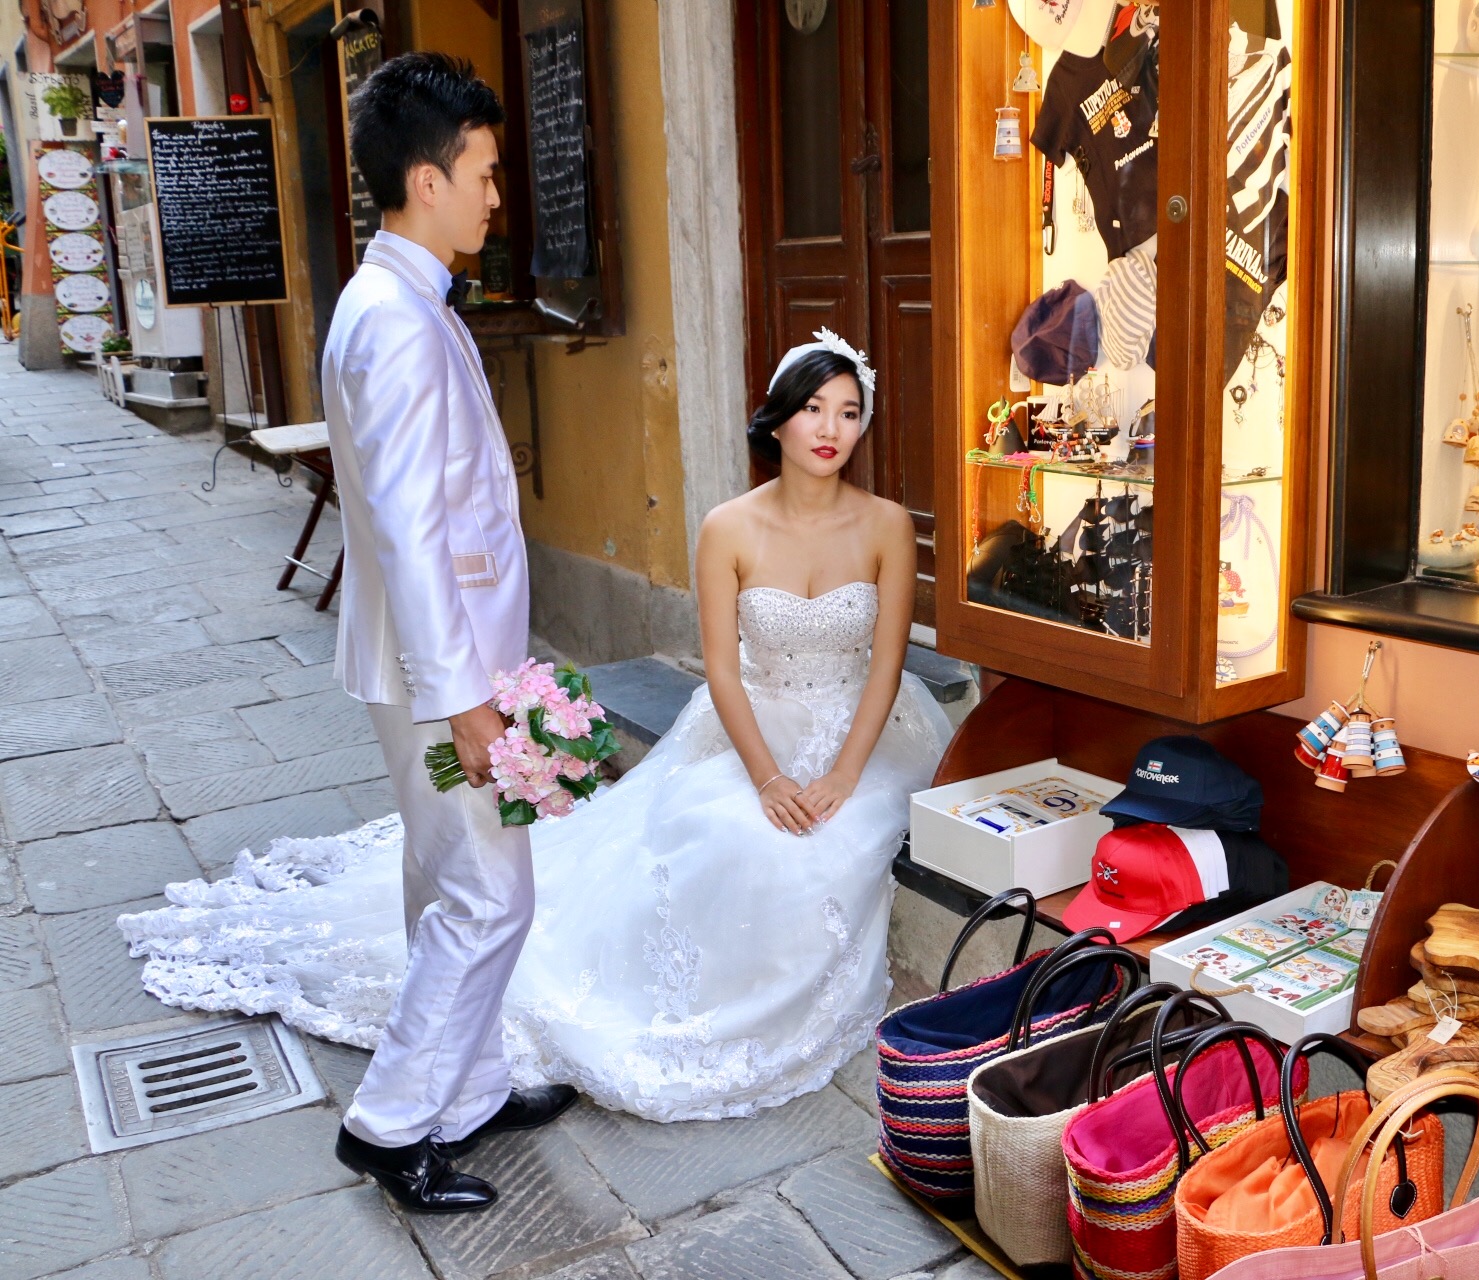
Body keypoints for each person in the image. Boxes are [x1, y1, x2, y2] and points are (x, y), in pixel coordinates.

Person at [117, 330, 951, 1166]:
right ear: (778, 420)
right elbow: (722, 673)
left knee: (835, 843)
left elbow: (886, 664)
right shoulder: (727, 527)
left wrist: (843, 774)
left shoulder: (884, 526)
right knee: (727, 834)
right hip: (749, 731)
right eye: (813, 408)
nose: (830, 429)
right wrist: (767, 777)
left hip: (864, 734)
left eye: (849, 412)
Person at [308, 53, 577, 1213]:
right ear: (426, 178)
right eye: (483, 171)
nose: (497, 194)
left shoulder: (395, 298)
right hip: (439, 670)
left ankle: (464, 1091)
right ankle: (390, 1120)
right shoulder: (402, 322)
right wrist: (466, 697)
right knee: (490, 895)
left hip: (428, 659)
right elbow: (415, 531)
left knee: (443, 878)